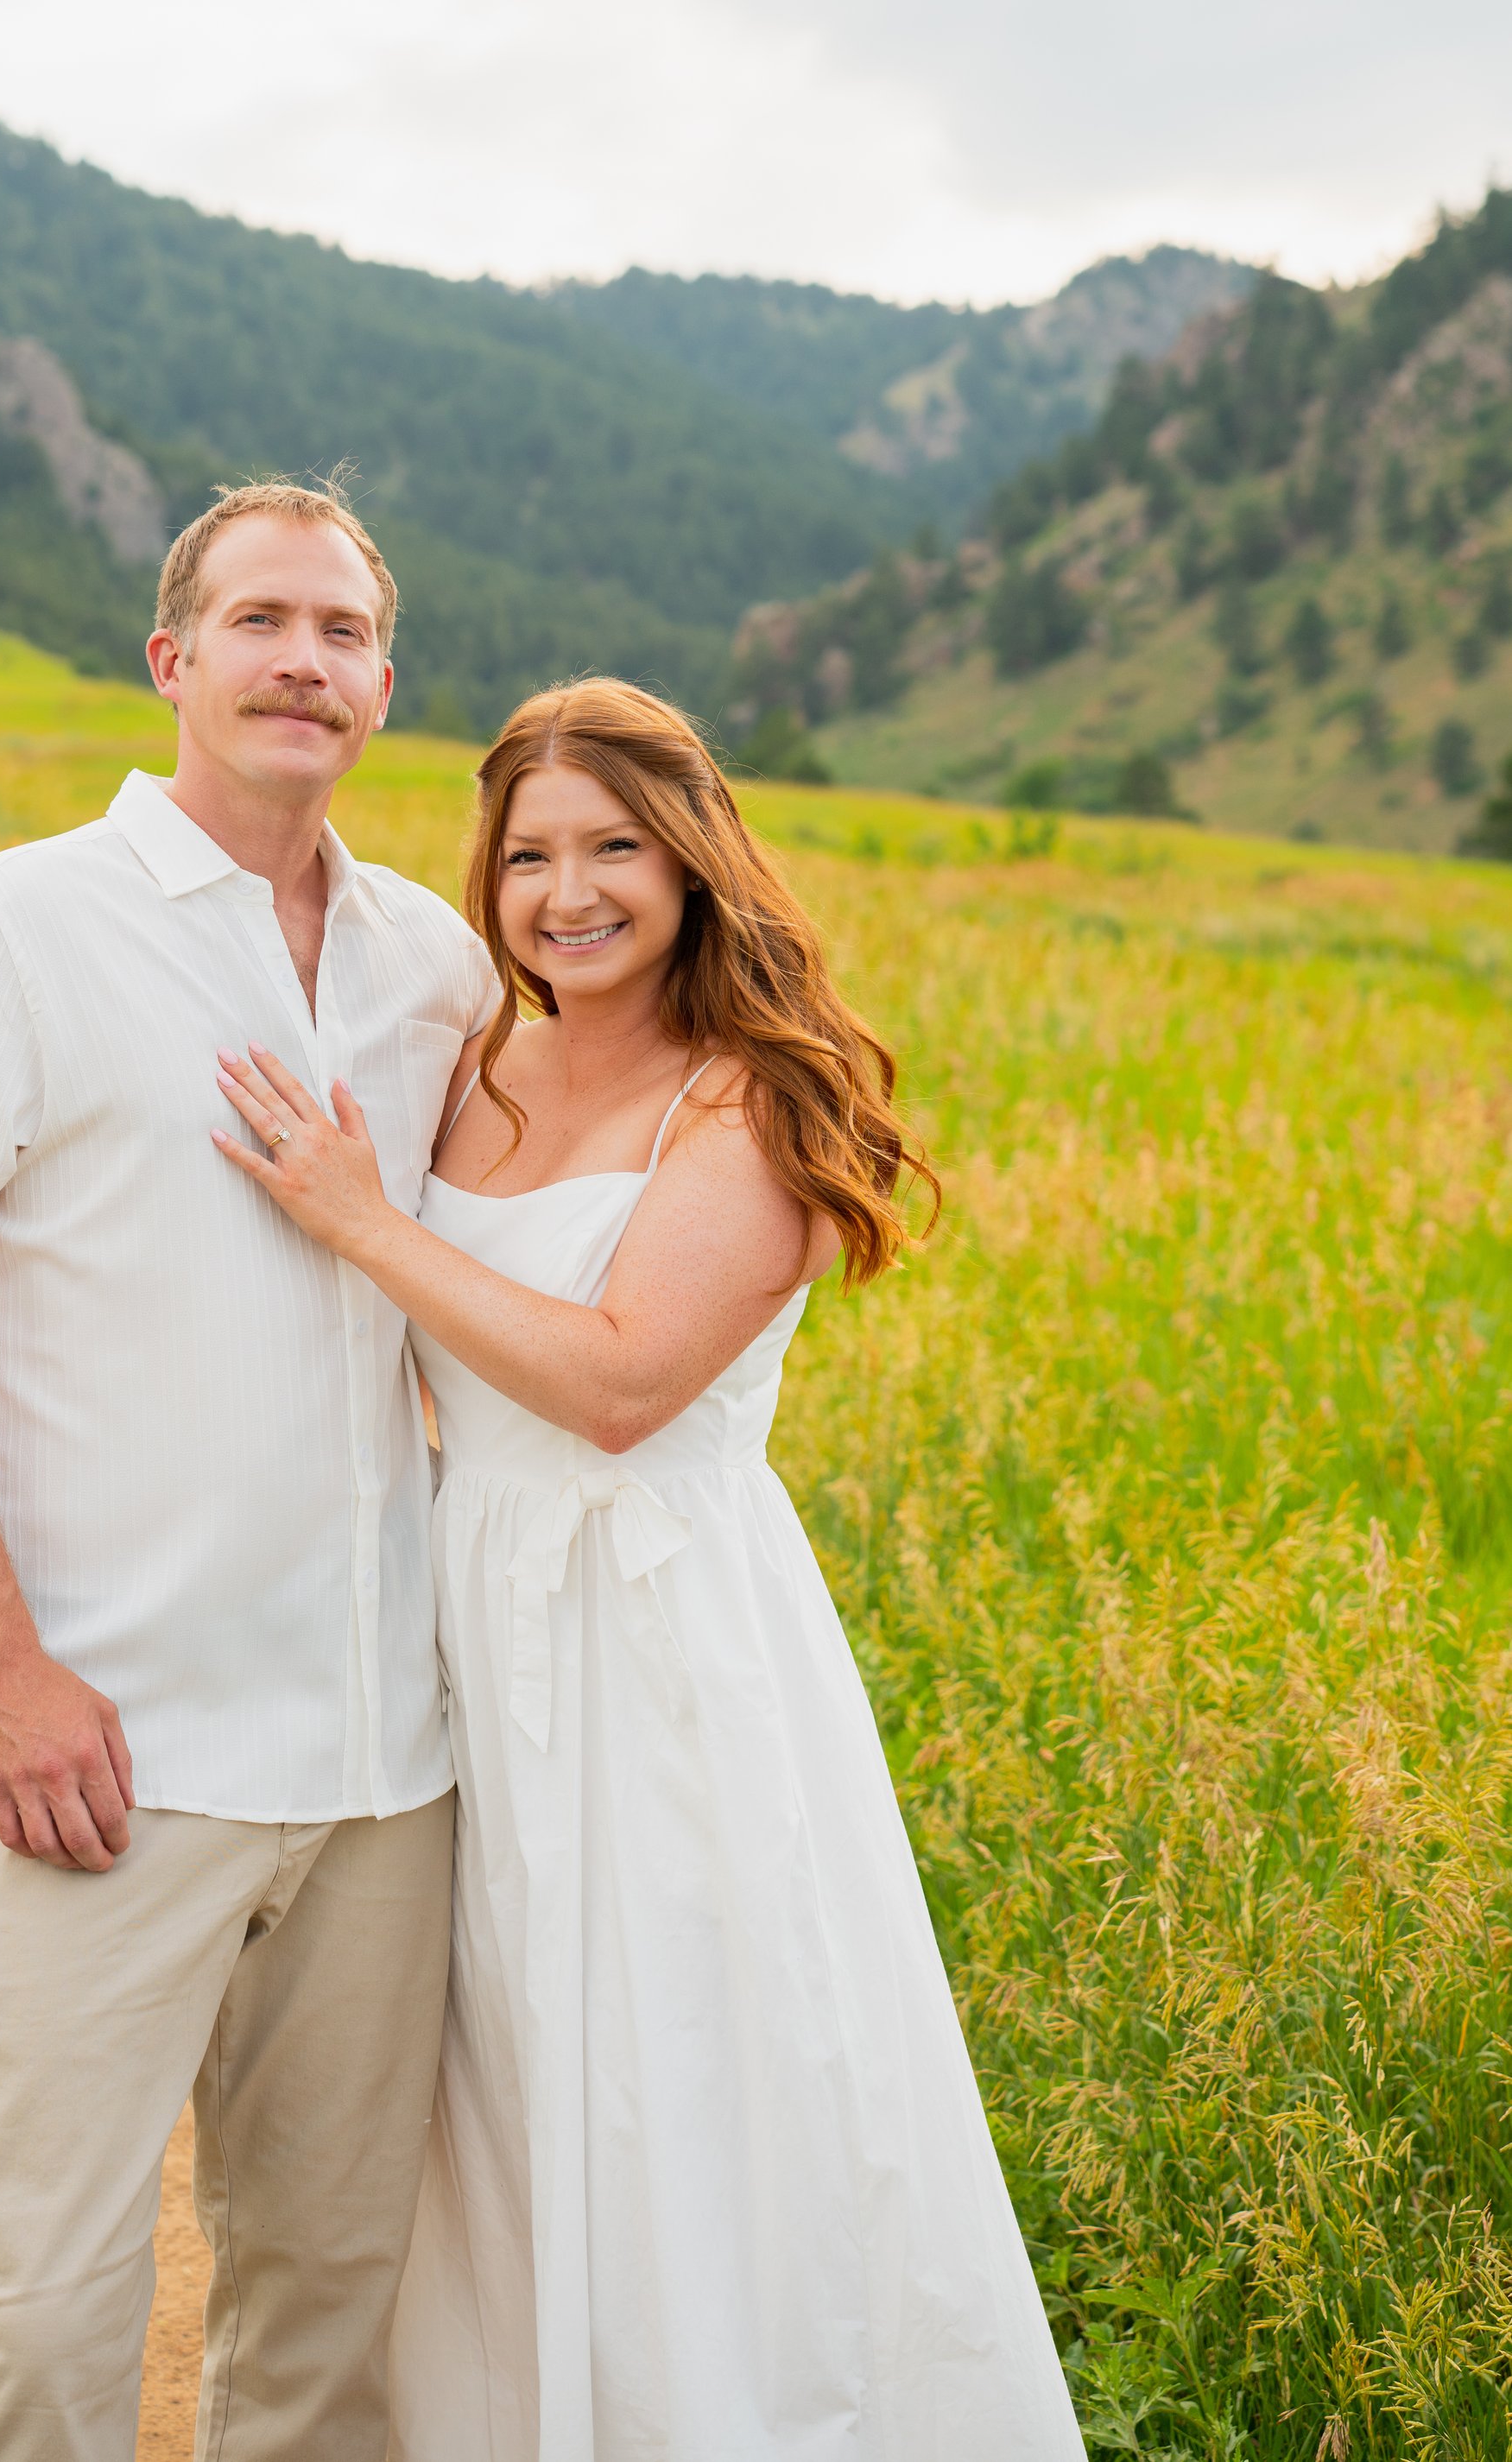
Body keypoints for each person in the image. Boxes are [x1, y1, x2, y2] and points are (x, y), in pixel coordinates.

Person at [211, 678, 1087, 2460]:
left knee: (682, 2069)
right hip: (467, 1605)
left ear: (692, 862)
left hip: (658, 1633)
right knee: (496, 2081)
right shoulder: (473, 1065)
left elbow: (616, 1383)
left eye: (612, 847)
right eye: (528, 855)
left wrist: (364, 1221)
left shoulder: (745, 1101)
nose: (566, 892)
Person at [0, 479, 499, 2462]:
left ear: (383, 682)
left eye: (345, 632)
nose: (306, 661)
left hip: (385, 1767)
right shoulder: (13, 930)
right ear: (171, 660)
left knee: (327, 2319)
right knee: (49, 2313)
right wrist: (0, 1677)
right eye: (263, 621)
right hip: (99, 1752)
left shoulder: (432, 967)